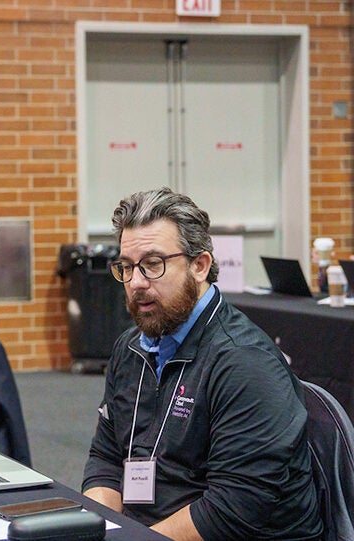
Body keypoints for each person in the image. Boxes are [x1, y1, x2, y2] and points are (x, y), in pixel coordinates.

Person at [81, 188, 322, 541]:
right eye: (127, 267)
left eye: (153, 264)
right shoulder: (131, 347)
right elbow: (106, 459)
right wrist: (101, 530)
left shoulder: (244, 362)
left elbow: (231, 510)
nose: (136, 283)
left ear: (200, 265)